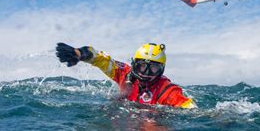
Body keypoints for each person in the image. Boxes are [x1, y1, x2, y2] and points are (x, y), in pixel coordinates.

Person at [55, 42, 196, 109]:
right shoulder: (125, 74)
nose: (145, 73)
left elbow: (189, 108)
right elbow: (101, 59)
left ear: (161, 69)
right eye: (142, 66)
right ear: (134, 64)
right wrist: (79, 54)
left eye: (153, 68)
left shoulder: (166, 90)